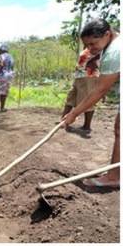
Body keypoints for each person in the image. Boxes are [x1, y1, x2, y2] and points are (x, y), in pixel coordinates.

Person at [62, 18, 119, 189]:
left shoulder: (114, 52)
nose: (90, 49)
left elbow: (99, 90)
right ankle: (115, 173)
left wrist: (73, 114)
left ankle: (114, 177)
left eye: (93, 44)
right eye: (87, 45)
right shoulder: (113, 45)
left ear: (107, 34)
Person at [62, 48, 101, 136]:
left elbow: (98, 57)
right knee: (71, 97)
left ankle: (87, 126)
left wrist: (91, 66)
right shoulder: (87, 47)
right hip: (79, 76)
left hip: (89, 76)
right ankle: (63, 121)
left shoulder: (97, 46)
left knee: (87, 99)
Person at [0, 44, 15, 113]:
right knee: (4, 91)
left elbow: (0, 64)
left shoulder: (1, 56)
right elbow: (12, 67)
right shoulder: (11, 57)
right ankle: (2, 107)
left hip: (2, 75)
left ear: (1, 51)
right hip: (10, 75)